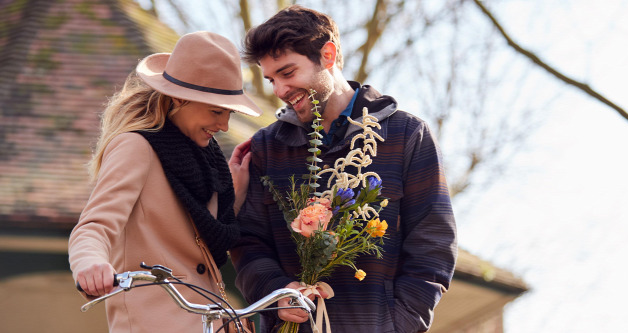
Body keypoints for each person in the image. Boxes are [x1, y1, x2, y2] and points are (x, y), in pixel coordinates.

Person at [230, 5, 457, 333]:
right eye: (271, 79)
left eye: (288, 73)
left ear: (328, 54)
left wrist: (400, 325)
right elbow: (248, 242)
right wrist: (274, 293)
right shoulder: (266, 148)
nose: (278, 91)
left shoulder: (407, 135)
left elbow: (432, 245)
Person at [68, 31, 262, 332]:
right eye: (215, 111)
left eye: (229, 113)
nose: (224, 125)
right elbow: (94, 226)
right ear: (179, 98)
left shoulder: (206, 162)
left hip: (207, 318)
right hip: (155, 321)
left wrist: (234, 194)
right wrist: (89, 264)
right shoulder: (136, 147)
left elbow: (201, 238)